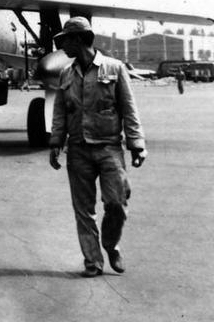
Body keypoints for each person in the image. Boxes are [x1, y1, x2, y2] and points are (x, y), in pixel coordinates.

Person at [48, 16, 147, 278]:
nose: (62, 46)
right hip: (78, 149)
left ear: (80, 39)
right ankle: (93, 262)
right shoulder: (66, 74)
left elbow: (129, 108)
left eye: (65, 40)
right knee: (84, 210)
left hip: (109, 148)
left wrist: (137, 144)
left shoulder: (114, 68)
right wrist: (56, 142)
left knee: (116, 203)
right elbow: (60, 112)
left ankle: (111, 245)